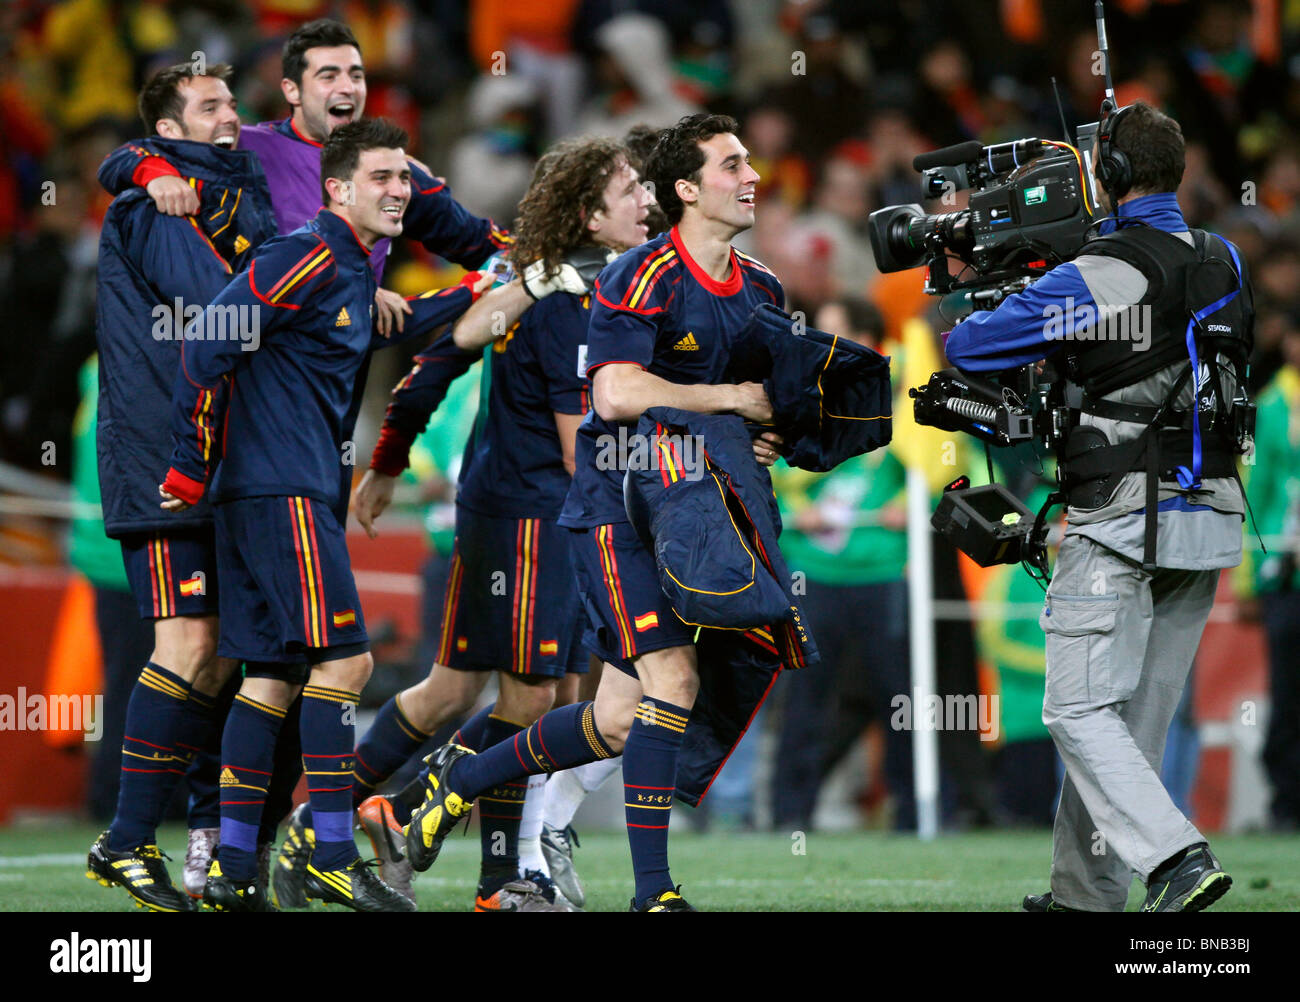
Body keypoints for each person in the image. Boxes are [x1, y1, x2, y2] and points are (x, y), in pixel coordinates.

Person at [402, 112, 788, 912]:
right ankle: (655, 893)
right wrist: (729, 401)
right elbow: (613, 393)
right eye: (732, 164)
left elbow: (756, 407)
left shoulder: (762, 288)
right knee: (671, 684)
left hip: (696, 518)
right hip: (618, 515)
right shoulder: (639, 275)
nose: (752, 176)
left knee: (614, 718)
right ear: (687, 190)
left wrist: (766, 434)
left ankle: (458, 779)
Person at [158, 118, 492, 912]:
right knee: (347, 666)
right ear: (337, 187)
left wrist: (484, 289)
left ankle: (235, 872)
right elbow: (208, 339)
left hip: (275, 491)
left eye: (405, 179)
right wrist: (188, 461)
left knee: (271, 675)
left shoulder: (344, 270)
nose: (398, 191)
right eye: (380, 177)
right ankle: (332, 853)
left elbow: (397, 327)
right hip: (282, 492)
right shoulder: (306, 252)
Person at [945, 101, 1253, 912]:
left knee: (1078, 709)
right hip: (1212, 515)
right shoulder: (1223, 257)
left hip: (1123, 514)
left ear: (1108, 176)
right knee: (1129, 728)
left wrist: (1002, 283)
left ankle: (1178, 858)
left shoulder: (1106, 269)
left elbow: (971, 348)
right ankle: (1083, 899)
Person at [340, 136, 653, 910]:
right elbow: (582, 449)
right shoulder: (565, 298)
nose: (647, 202)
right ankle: (472, 859)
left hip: (514, 512)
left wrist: (387, 456)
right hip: (531, 517)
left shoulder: (561, 282)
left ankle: (346, 818)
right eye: (631, 190)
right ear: (588, 213)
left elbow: (441, 358)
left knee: (456, 692)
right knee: (534, 708)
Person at [85, 61, 277, 913]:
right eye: (209, 106)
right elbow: (223, 309)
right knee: (191, 647)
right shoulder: (154, 207)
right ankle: (125, 841)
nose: (230, 115)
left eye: (233, 101)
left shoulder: (234, 196)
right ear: (167, 131)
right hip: (164, 465)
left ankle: (203, 840)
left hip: (221, 458)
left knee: (230, 653)